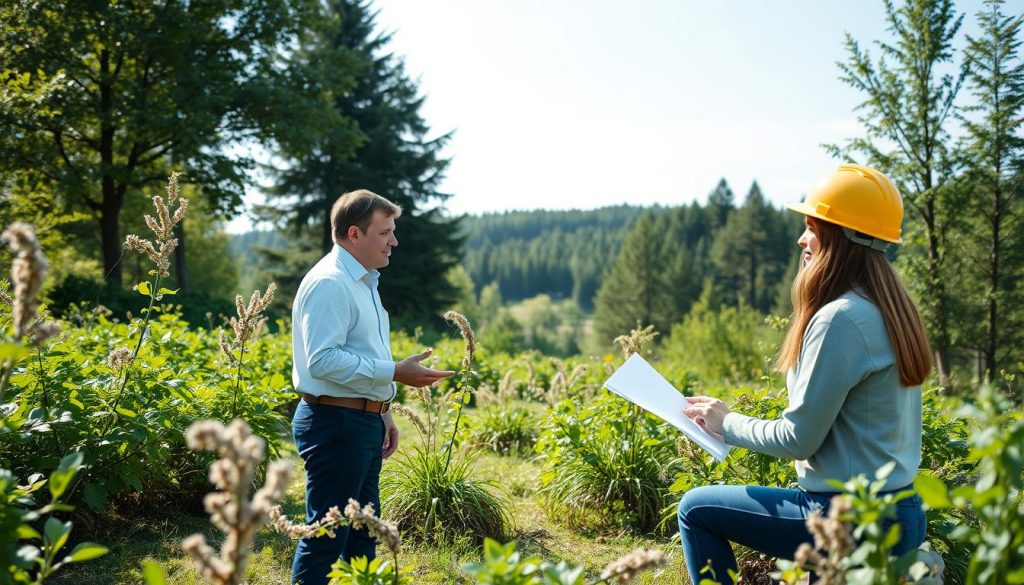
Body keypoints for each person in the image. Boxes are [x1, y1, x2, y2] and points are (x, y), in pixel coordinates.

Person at [678, 164, 931, 584]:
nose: (802, 238)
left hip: (846, 519)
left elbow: (799, 439)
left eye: (811, 226)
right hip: (900, 512)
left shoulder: (840, 319)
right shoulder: (892, 309)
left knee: (695, 509)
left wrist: (726, 423)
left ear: (838, 236)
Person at [290, 189, 455, 585]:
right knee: (327, 534)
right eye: (385, 232)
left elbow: (359, 354)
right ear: (354, 234)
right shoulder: (331, 283)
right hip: (335, 422)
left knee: (363, 534)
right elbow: (323, 360)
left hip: (359, 421)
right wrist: (395, 373)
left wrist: (382, 412)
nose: (394, 241)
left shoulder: (364, 282)